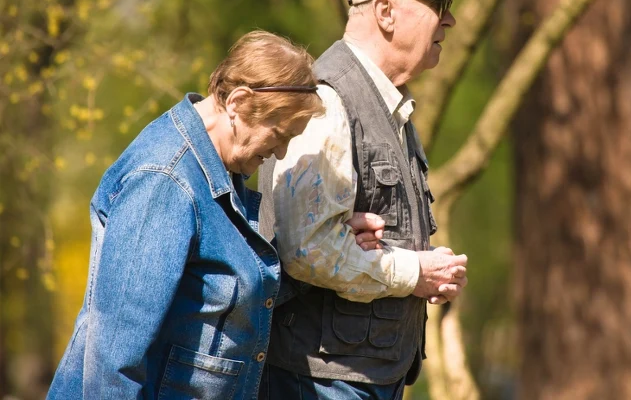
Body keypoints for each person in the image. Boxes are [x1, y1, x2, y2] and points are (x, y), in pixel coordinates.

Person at [46, 31, 383, 400]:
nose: (282, 152)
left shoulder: (223, 172)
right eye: (280, 133)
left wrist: (323, 245)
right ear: (237, 103)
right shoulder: (165, 182)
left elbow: (227, 290)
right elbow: (115, 355)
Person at [257, 0, 496, 399]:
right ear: (385, 12)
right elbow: (307, 250)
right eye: (437, 2)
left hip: (360, 377)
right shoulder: (327, 102)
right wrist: (414, 272)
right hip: (322, 382)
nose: (449, 18)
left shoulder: (388, 102)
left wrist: (419, 265)